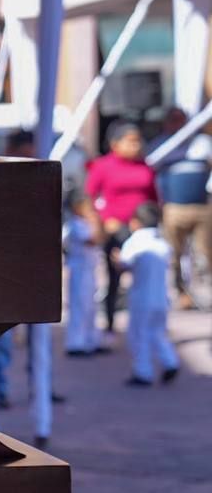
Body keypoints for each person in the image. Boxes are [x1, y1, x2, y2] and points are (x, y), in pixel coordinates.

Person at [86, 121, 159, 334]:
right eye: (130, 141)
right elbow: (89, 197)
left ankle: (147, 324)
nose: (136, 146)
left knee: (146, 277)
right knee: (114, 278)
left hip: (142, 231)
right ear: (115, 144)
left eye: (138, 141)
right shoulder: (103, 165)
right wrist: (103, 221)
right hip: (116, 229)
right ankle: (109, 323)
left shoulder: (145, 166)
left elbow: (154, 198)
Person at [149, 107, 212, 309]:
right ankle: (181, 294)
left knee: (205, 254)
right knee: (174, 255)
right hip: (173, 209)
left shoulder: (201, 144)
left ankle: (205, 294)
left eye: (181, 120)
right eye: (172, 120)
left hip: (202, 208)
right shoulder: (160, 145)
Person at [116, 202, 180, 387]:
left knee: (139, 335)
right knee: (158, 333)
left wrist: (117, 261)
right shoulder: (162, 244)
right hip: (161, 297)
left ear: (136, 222)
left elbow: (125, 263)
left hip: (141, 298)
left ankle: (143, 371)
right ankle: (170, 361)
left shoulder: (135, 242)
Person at [63, 189, 104, 357]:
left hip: (89, 270)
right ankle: (75, 343)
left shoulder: (83, 224)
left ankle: (90, 341)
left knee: (90, 307)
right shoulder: (74, 225)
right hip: (78, 270)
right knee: (79, 307)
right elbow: (93, 240)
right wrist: (95, 220)